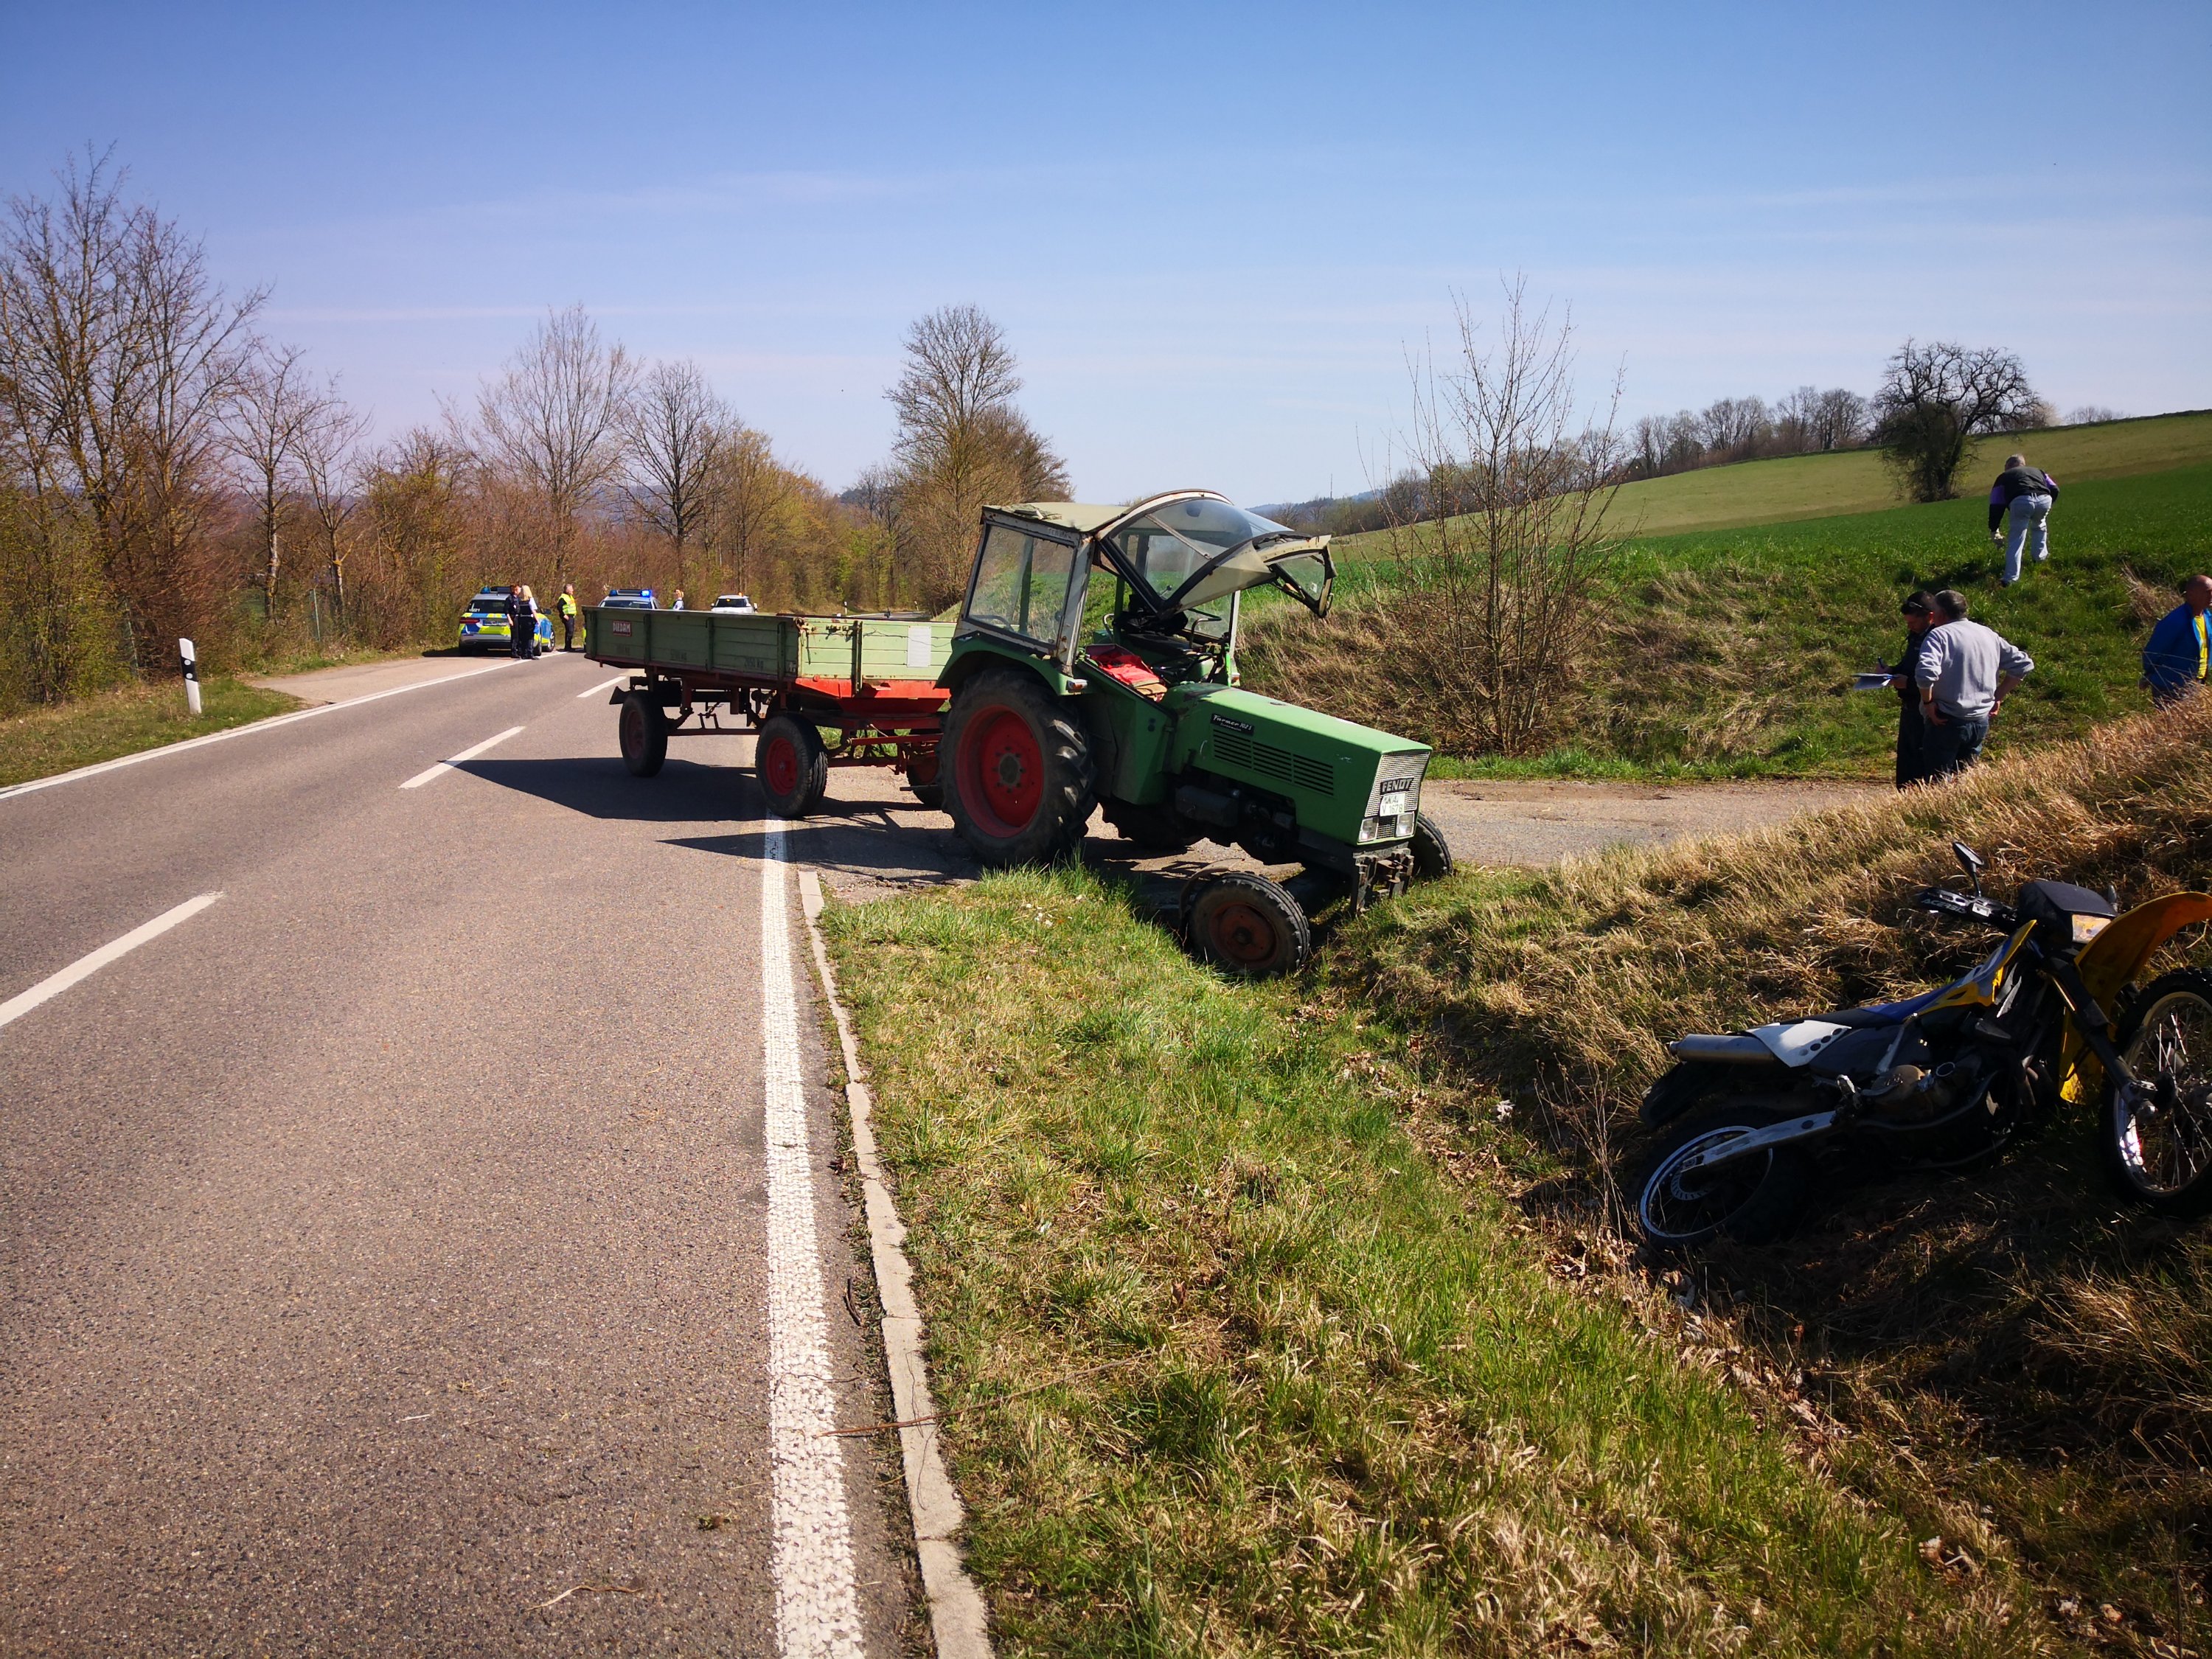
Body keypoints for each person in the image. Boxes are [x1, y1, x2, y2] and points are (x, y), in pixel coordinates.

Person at [1916, 590, 2034, 777]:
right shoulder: (1987, 633)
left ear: (1942, 613)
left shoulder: (1939, 635)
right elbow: (2023, 665)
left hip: (1946, 720)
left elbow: (1925, 674)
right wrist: (1998, 697)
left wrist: (1928, 703)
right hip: (1980, 721)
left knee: (1938, 784)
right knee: (1965, 782)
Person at [1877, 591, 1941, 788]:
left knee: (1920, 764)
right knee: (1906, 763)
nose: (1909, 627)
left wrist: (1909, 684)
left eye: (1913, 623)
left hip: (1926, 709)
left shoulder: (1937, 639)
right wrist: (1891, 671)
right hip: (1909, 707)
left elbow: (1939, 677)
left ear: (1930, 617)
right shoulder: (1916, 636)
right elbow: (1910, 666)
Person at [1988, 453, 2060, 587]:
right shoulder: (2039, 472)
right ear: (2023, 464)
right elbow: (2054, 488)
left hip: (2021, 500)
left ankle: (2010, 579)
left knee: (2017, 538)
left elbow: (1996, 504)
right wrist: (2048, 505)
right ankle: (2040, 559)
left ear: (2008, 465)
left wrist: (1994, 528)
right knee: (2040, 526)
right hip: (2044, 498)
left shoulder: (2004, 477)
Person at [2141, 574, 2211, 705]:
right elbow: (2153, 651)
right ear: (2190, 595)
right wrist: (2149, 673)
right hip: (2172, 686)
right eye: (2207, 592)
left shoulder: (2207, 617)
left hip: (2196, 683)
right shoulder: (2176, 621)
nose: (2211, 596)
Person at [507, 583, 538, 658]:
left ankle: (524, 653)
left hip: (521, 620)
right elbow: (533, 611)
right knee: (530, 637)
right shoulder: (531, 600)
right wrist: (537, 620)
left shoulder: (519, 600)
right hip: (529, 619)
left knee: (523, 637)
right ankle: (530, 653)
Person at [557, 582, 581, 651]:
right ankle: (567, 647)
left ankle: (569, 646)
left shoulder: (570, 597)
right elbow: (559, 606)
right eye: (571, 589)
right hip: (567, 617)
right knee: (569, 631)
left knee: (571, 632)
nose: (573, 590)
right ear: (567, 590)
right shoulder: (563, 597)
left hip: (572, 616)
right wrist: (563, 615)